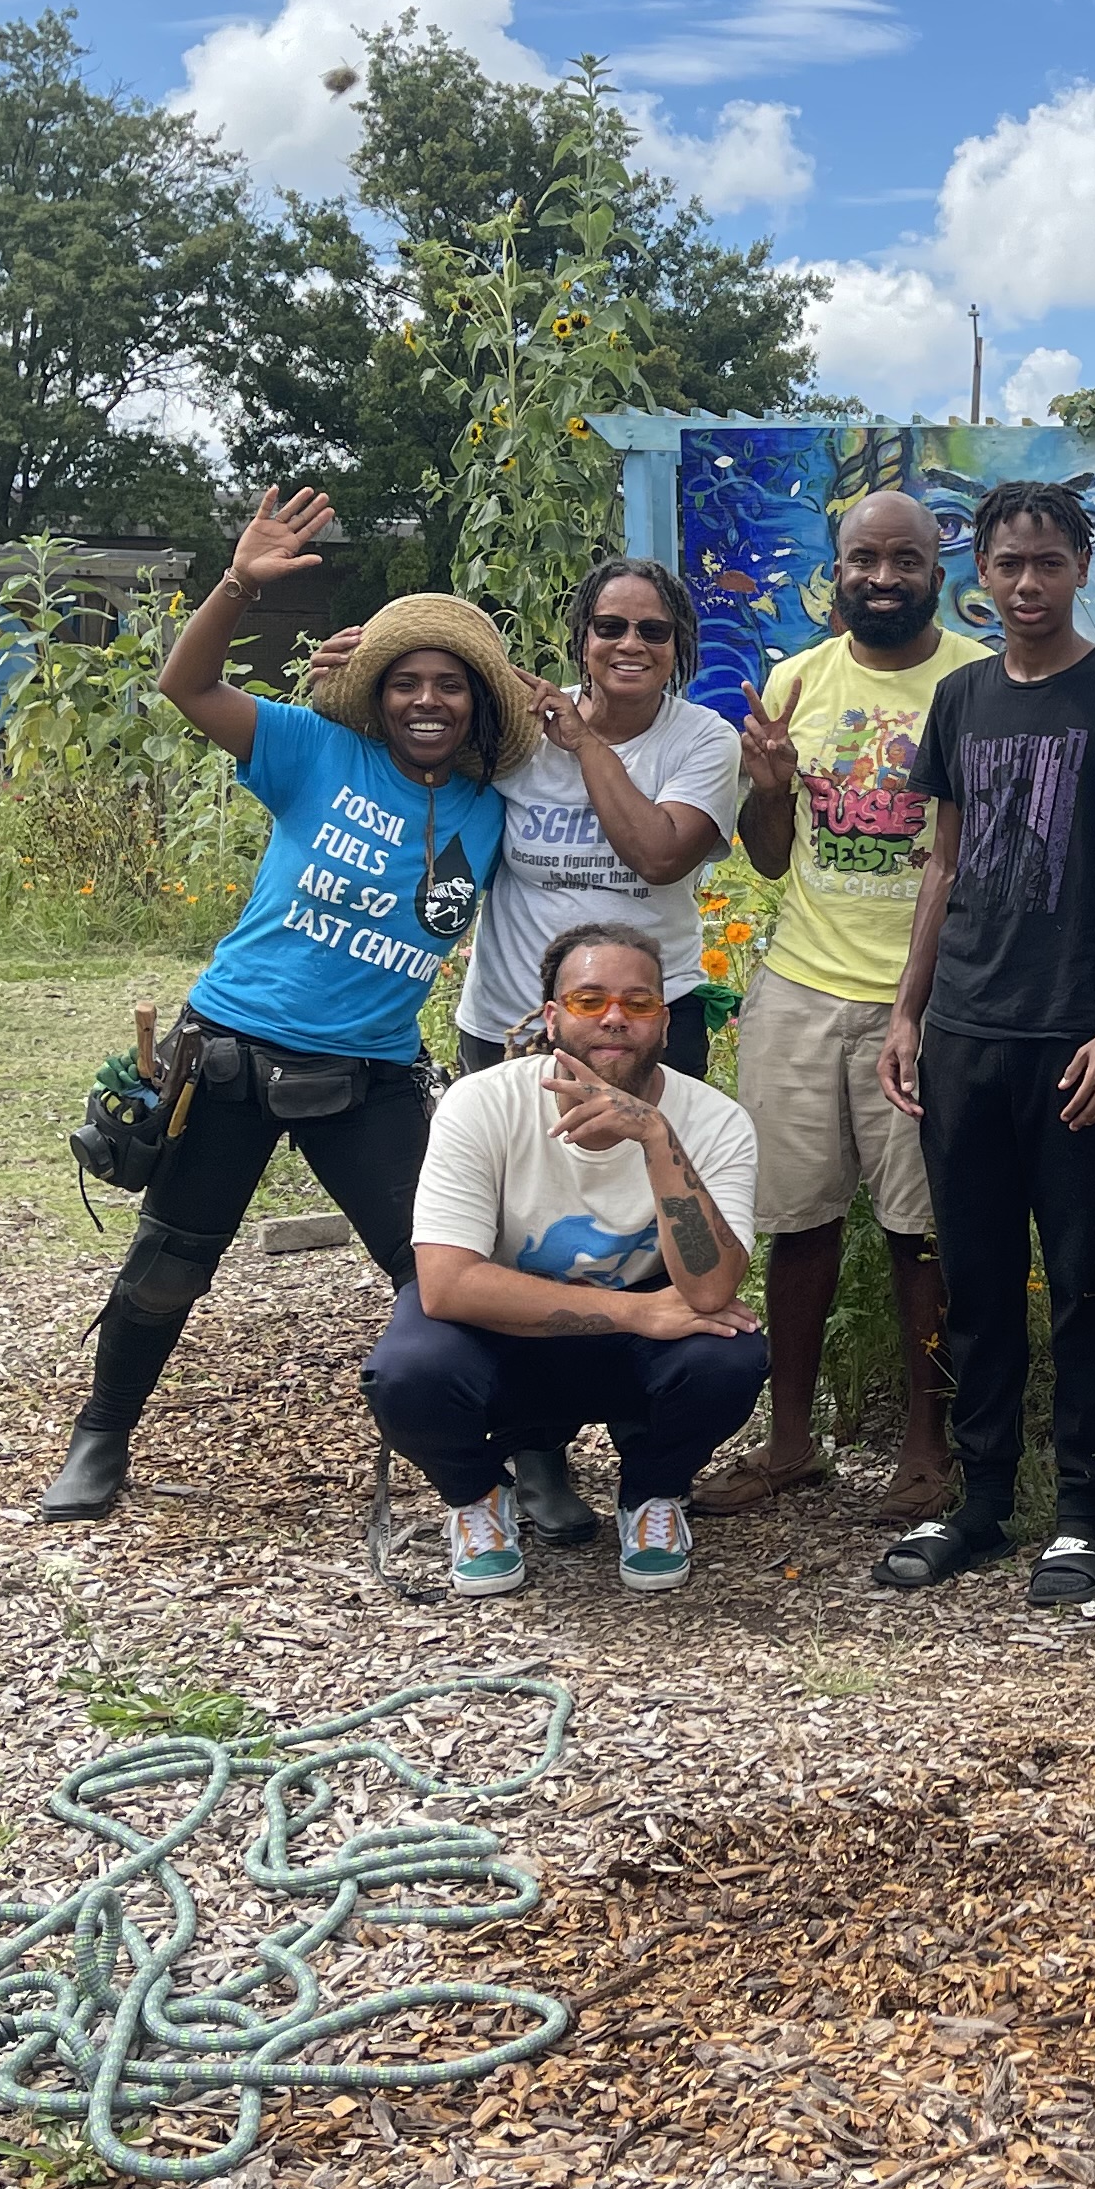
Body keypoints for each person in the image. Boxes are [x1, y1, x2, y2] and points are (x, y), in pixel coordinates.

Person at [38, 488, 522, 1523]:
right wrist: (238, 583)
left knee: (439, 1269)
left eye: (451, 686)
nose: (427, 702)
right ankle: (101, 1435)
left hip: (371, 1074)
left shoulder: (496, 806)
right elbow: (186, 684)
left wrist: (541, 696)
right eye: (407, 683)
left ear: (479, 706)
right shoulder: (312, 749)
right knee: (170, 1264)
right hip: (234, 1050)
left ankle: (490, 1455)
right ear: (376, 695)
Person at [310, 554, 744, 1550]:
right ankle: (534, 1452)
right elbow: (413, 732)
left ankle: (649, 1451)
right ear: (579, 636)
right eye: (608, 627)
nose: (628, 645)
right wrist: (354, 672)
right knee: (512, 1227)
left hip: (650, 1024)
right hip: (513, 1025)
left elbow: (658, 853)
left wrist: (586, 743)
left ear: (678, 650)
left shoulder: (699, 741)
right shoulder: (516, 736)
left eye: (652, 631)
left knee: (644, 1219)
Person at [869, 481, 1095, 1604]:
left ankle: (1084, 1513)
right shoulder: (959, 701)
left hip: (1076, 1037)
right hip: (965, 1032)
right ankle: (985, 1502)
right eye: (1010, 565)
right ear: (981, 575)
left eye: (1050, 562)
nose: (1030, 584)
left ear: (1082, 565)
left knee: (1088, 1276)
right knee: (982, 1277)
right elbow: (942, 866)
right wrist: (910, 1011)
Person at [703, 489, 992, 1526]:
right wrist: (770, 786)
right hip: (801, 987)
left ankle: (927, 1450)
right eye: (863, 559)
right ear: (838, 568)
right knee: (799, 1221)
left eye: (902, 559)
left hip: (930, 996)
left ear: (936, 566)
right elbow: (773, 860)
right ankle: (790, 1443)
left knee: (922, 1234)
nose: (882, 577)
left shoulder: (976, 678)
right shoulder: (796, 680)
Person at [365, 923, 764, 1596]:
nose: (615, 1017)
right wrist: (636, 1313)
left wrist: (655, 1139)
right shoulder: (481, 1104)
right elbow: (446, 1284)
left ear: (664, 1023)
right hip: (507, 1335)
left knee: (730, 1353)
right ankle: (478, 1498)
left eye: (638, 1004)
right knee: (408, 1374)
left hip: (631, 1351)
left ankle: (654, 1494)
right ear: (552, 1018)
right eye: (589, 1001)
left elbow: (711, 1286)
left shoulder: (715, 1121)